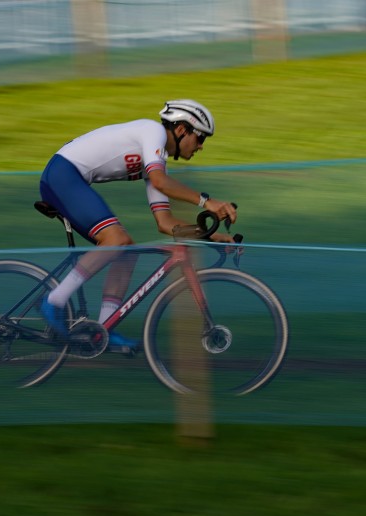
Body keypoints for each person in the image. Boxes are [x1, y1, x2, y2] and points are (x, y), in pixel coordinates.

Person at [38, 99, 238, 350]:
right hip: (63, 175)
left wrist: (213, 236)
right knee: (116, 240)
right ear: (181, 129)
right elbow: (161, 183)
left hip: (69, 178)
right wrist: (207, 202)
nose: (200, 147)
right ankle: (53, 301)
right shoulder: (152, 132)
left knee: (127, 251)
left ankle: (103, 331)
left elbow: (165, 223)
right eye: (200, 139)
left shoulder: (154, 161)